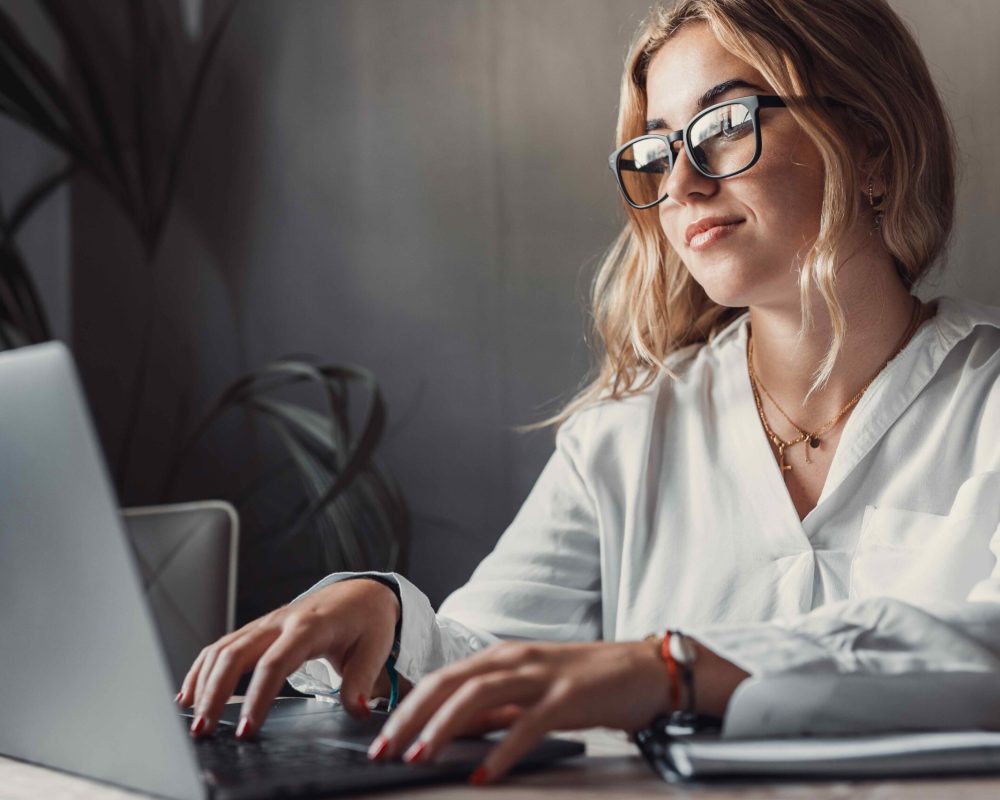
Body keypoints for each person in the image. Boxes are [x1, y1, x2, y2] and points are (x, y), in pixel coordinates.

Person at [178, 0, 1000, 786]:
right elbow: (494, 655)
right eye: (654, 151)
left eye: (723, 126)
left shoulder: (986, 398)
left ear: (875, 149)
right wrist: (385, 617)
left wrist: (667, 667)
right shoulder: (627, 432)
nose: (680, 183)